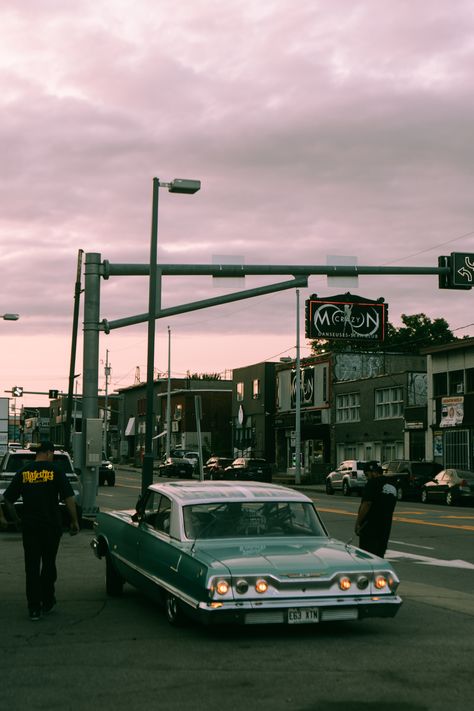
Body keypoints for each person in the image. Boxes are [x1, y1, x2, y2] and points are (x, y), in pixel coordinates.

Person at [2, 441, 80, 620]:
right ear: (49, 453)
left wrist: (16, 519)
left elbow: (7, 500)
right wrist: (74, 521)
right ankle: (47, 600)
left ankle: (34, 608)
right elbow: (69, 498)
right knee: (49, 564)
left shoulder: (24, 473)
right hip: (51, 526)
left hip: (30, 527)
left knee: (31, 567)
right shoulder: (56, 472)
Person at [355, 462, 396, 558]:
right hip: (385, 528)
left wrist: (358, 523)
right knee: (379, 557)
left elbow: (366, 504)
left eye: (367, 475)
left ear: (373, 472)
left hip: (370, 528)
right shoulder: (392, 484)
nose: (367, 478)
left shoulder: (372, 483)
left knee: (367, 558)